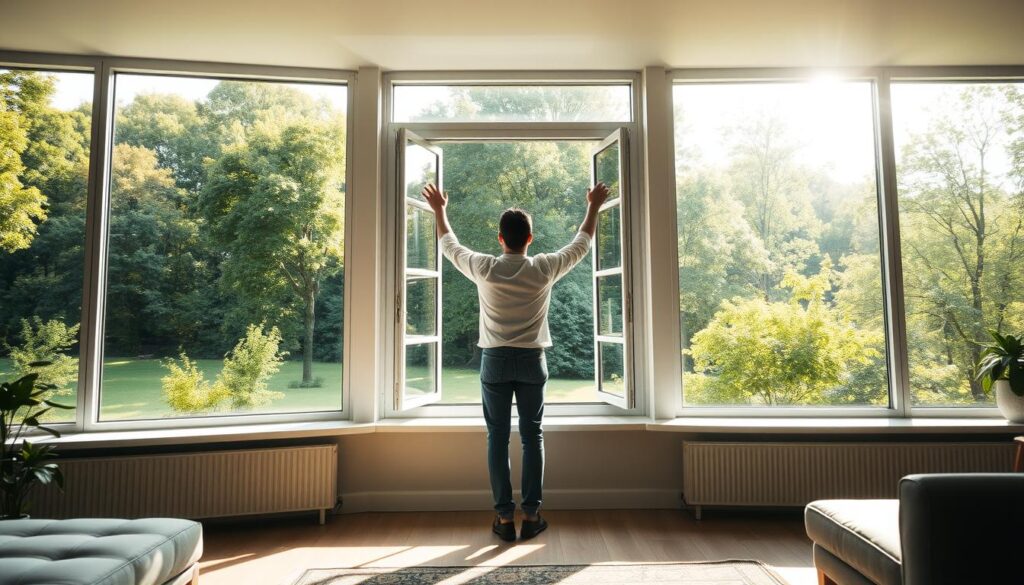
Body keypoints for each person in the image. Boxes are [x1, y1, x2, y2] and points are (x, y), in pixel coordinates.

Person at [420, 181, 611, 542]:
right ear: (530, 238)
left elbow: (449, 245)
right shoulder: (543, 269)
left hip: (493, 361)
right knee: (531, 436)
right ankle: (533, 515)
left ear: (500, 238)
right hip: (531, 361)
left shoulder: (485, 268)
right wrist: (594, 206)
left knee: (496, 437)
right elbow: (581, 244)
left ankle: (505, 519)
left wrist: (439, 209)